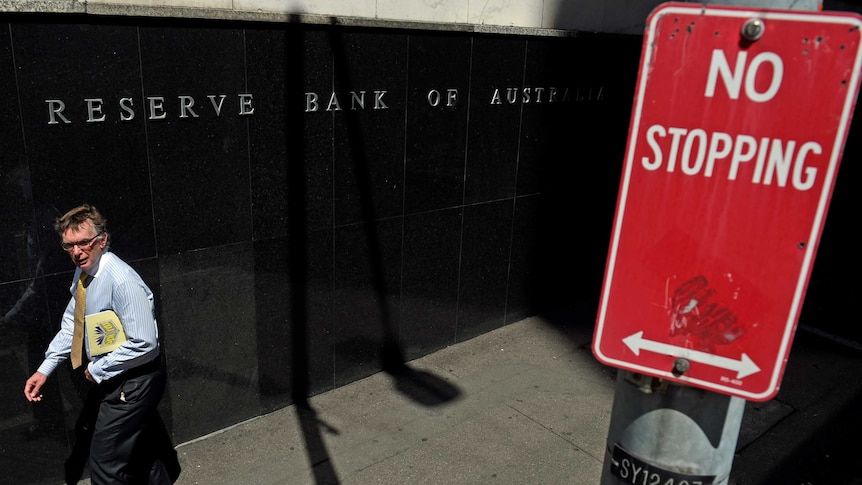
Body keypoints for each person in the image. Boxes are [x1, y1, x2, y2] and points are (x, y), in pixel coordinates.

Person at [23, 203, 179, 484]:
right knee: (143, 451)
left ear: (103, 240)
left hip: (133, 380)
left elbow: (145, 342)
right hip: (118, 376)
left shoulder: (121, 281)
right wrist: (44, 369)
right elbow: (73, 323)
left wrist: (99, 368)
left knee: (105, 463)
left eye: (84, 243)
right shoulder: (84, 273)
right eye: (69, 245)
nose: (77, 252)